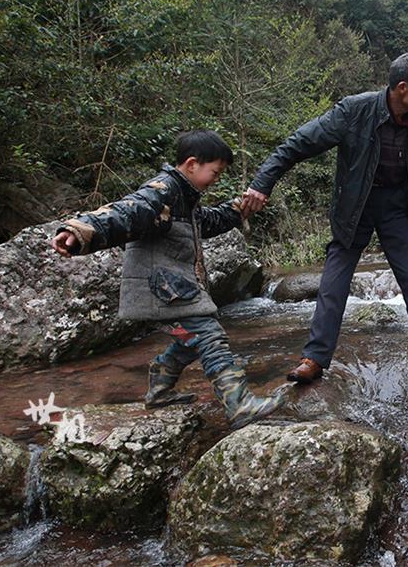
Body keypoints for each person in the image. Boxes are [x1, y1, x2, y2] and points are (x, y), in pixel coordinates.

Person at [240, 52, 408, 383]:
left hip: (397, 208)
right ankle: (314, 358)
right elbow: (296, 145)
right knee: (333, 283)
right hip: (355, 206)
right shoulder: (354, 111)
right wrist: (261, 184)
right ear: (401, 88)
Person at [51, 130, 283, 430]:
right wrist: (81, 230)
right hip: (162, 287)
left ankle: (160, 386)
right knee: (210, 334)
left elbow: (209, 222)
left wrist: (240, 208)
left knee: (191, 339)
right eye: (215, 172)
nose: (216, 179)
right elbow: (126, 211)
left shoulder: (185, 197)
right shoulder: (161, 191)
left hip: (169, 287)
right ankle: (239, 404)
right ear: (191, 164)